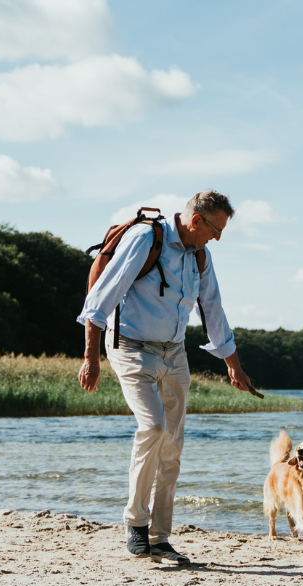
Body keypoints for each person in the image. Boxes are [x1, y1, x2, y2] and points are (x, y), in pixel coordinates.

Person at [76, 190, 255, 564]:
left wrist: (233, 365)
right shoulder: (146, 239)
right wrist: (91, 358)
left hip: (174, 353)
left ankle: (159, 537)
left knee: (172, 446)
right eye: (216, 229)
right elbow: (100, 299)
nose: (217, 238)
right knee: (154, 429)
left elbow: (214, 311)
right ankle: (135, 525)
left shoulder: (200, 256)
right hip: (130, 347)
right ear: (196, 221)